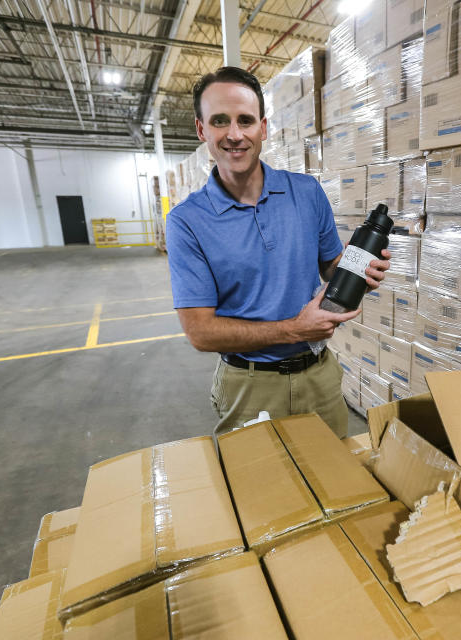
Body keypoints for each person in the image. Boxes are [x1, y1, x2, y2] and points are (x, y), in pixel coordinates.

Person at [166, 66, 391, 437]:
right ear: (201, 129)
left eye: (246, 120)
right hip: (248, 387)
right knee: (259, 492)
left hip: (320, 376)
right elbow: (200, 333)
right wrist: (293, 330)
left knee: (337, 486)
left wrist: (357, 270)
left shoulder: (306, 192)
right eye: (220, 121)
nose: (235, 135)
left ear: (264, 128)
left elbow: (330, 268)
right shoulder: (187, 221)